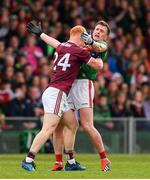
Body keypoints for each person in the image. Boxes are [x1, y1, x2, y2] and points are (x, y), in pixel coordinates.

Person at [21, 21, 103, 172]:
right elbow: (98, 66)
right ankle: (28, 159)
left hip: (55, 92)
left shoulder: (63, 46)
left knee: (73, 124)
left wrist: (41, 34)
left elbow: (54, 42)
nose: (86, 39)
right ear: (80, 36)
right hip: (57, 92)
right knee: (48, 128)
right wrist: (96, 49)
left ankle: (70, 162)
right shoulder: (79, 51)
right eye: (84, 37)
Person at [50, 21, 111, 172]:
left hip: (84, 85)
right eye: (97, 29)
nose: (98, 32)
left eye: (102, 31)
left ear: (105, 37)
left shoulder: (100, 45)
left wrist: (91, 42)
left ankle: (104, 158)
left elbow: (100, 47)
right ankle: (60, 162)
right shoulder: (81, 42)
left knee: (87, 125)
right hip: (68, 84)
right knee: (60, 125)